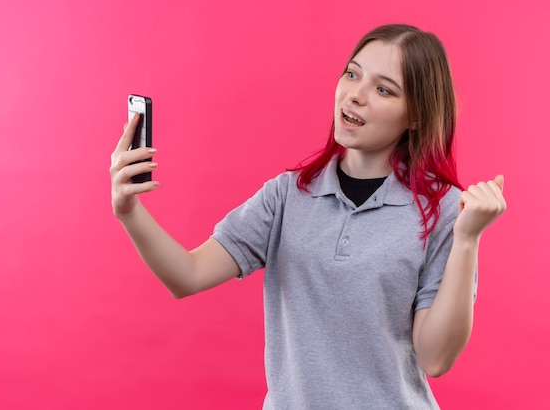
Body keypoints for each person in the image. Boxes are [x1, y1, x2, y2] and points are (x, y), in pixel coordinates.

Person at [110, 24, 507, 409]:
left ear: (416, 116)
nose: (356, 95)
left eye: (383, 89)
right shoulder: (287, 195)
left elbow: (436, 358)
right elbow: (187, 275)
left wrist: (467, 239)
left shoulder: (442, 211)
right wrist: (130, 211)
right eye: (352, 75)